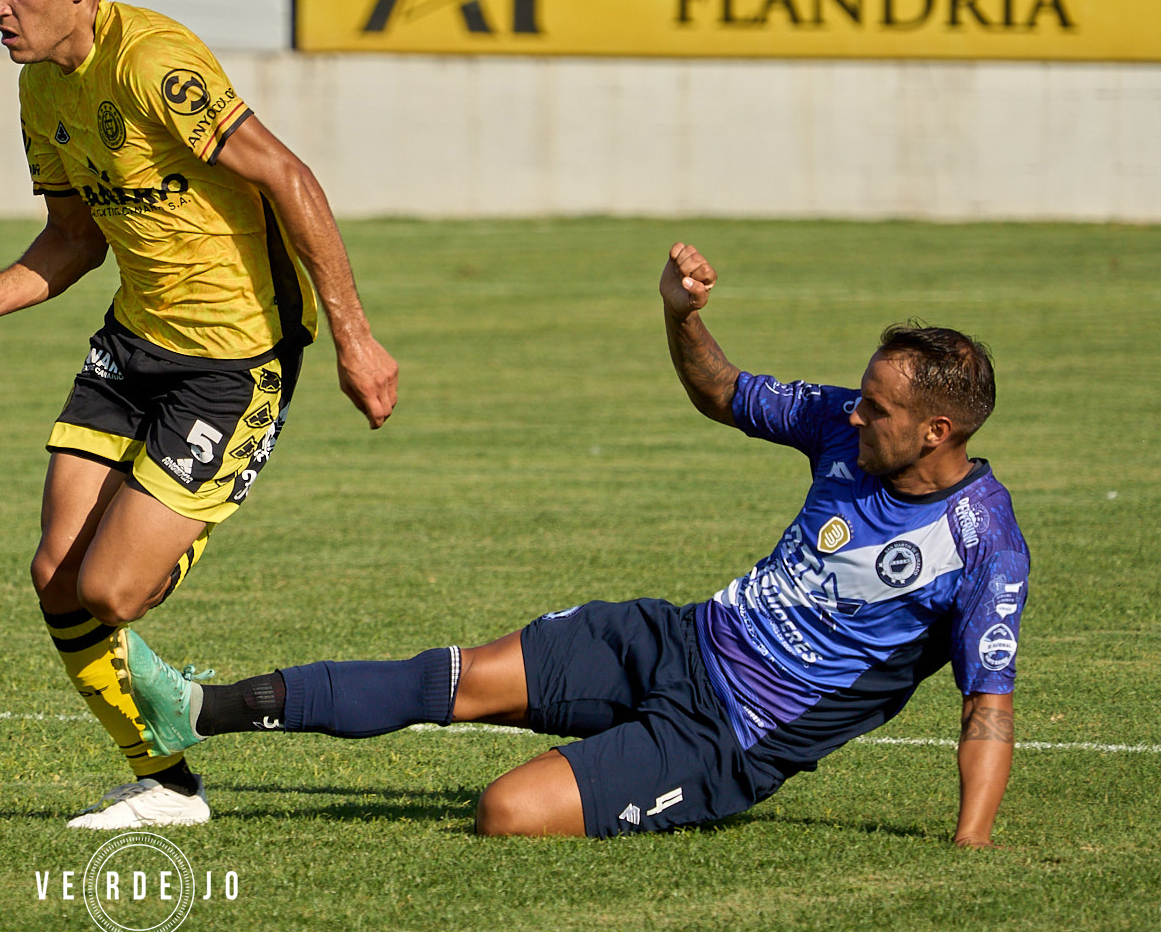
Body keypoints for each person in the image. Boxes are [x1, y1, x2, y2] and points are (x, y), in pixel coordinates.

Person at [129, 242, 1027, 844]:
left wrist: (968, 845)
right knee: (453, 678)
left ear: (939, 430)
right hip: (678, 638)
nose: (857, 411)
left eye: (880, 408)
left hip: (724, 738)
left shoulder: (983, 546)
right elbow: (724, 391)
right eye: (863, 397)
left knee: (506, 812)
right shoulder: (842, 422)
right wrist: (680, 314)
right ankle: (198, 709)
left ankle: (632, 762)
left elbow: (987, 703)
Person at [0, 0, 400, 830]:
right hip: (132, 347)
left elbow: (289, 177)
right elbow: (73, 240)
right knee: (57, 575)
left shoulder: (154, 64)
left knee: (110, 589)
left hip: (232, 364)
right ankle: (168, 785)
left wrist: (355, 337)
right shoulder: (41, 87)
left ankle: (184, 529)